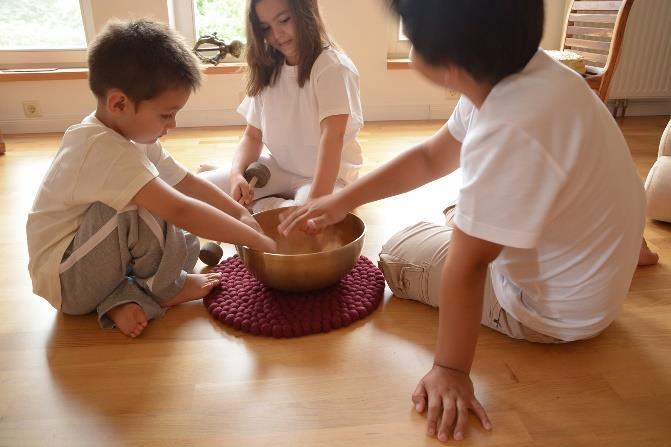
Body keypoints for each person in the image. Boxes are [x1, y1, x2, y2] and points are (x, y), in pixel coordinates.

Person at [278, 0, 645, 442]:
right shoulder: (529, 70)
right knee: (464, 210)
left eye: (411, 41)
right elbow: (433, 156)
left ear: (447, 66)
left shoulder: (506, 128)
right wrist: (343, 199)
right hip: (597, 278)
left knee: (398, 249)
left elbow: (468, 267)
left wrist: (450, 369)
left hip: (551, 313)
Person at [26, 19, 276, 339]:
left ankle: (119, 298)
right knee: (148, 209)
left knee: (183, 243)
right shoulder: (102, 148)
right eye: (166, 114)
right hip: (67, 281)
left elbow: (185, 180)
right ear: (119, 103)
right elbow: (180, 208)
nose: (172, 124)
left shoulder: (131, 137)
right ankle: (166, 289)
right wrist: (256, 240)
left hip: (89, 262)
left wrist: (239, 212)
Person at [199, 0, 363, 213]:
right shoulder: (268, 67)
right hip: (279, 168)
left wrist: (313, 204)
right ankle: (266, 204)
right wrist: (236, 175)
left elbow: (333, 138)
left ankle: (261, 207)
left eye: (284, 20)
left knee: (309, 225)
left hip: (327, 178)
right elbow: (252, 136)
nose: (277, 34)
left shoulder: (333, 68)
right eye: (266, 28)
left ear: (307, 11)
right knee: (198, 191)